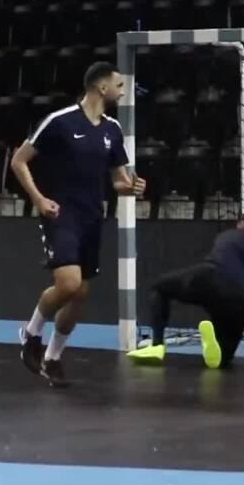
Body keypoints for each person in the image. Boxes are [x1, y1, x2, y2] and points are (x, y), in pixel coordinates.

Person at [10, 62, 147, 388]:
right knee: (69, 284)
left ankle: (53, 358)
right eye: (118, 84)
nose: (122, 90)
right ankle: (30, 335)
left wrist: (132, 188)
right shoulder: (59, 121)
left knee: (80, 293)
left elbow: (118, 181)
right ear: (101, 87)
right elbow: (18, 160)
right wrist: (39, 199)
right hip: (60, 213)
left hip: (91, 217)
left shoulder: (112, 129)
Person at [127, 211, 244, 369]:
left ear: (243, 224)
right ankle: (215, 349)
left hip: (208, 279)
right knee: (224, 357)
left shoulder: (227, 235)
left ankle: (157, 345)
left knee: (159, 288)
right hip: (241, 302)